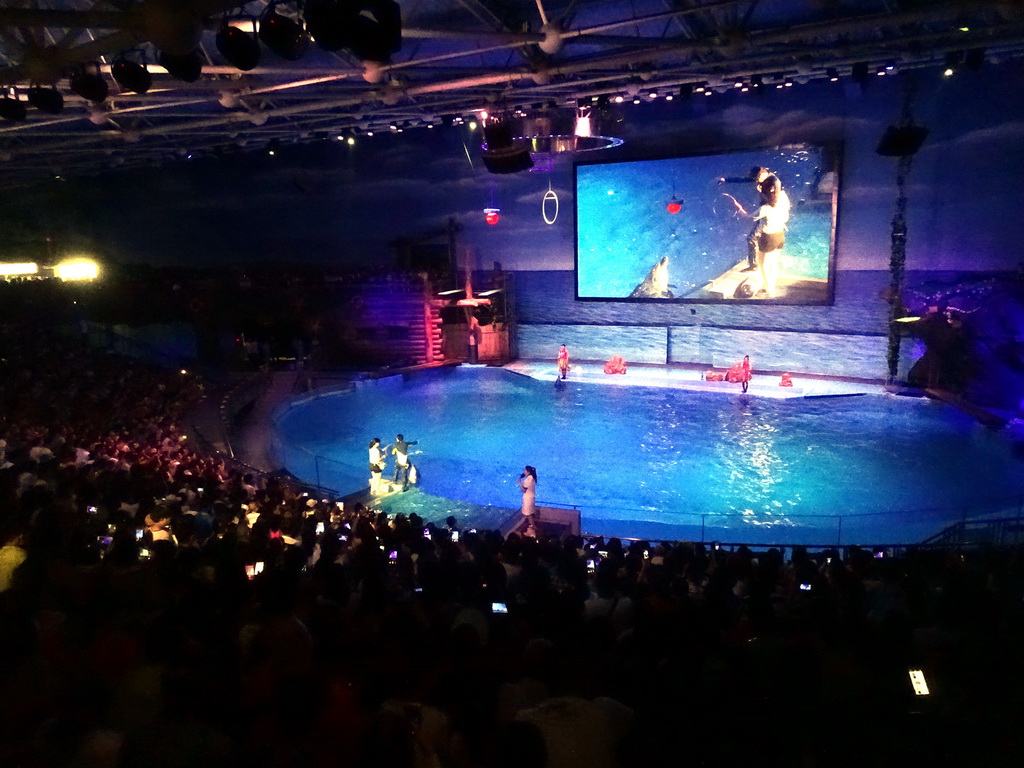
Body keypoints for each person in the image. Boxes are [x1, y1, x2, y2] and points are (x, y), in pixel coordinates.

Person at [518, 466, 538, 531]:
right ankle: (532, 525)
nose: (524, 472)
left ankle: (532, 527)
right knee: (530, 513)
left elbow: (524, 490)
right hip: (531, 497)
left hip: (528, 499)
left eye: (525, 470)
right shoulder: (532, 478)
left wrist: (519, 483)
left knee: (528, 513)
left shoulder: (528, 480)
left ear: (528, 472)